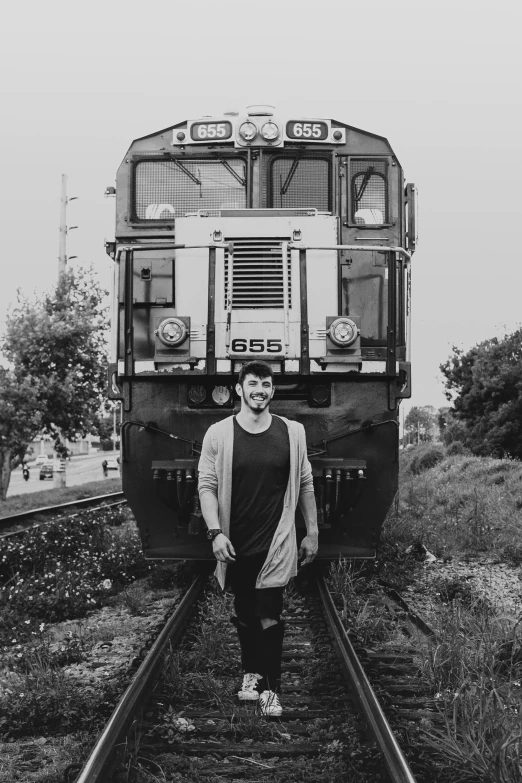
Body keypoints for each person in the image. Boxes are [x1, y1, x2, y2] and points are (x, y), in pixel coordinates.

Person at [198, 360, 318, 717]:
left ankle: (270, 691)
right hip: (236, 543)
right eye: (253, 384)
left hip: (276, 543)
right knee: (245, 614)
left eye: (266, 384)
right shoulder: (218, 434)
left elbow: (306, 483)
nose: (260, 390)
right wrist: (215, 533)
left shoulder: (292, 432)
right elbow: (207, 486)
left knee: (269, 615)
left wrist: (311, 532)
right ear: (239, 389)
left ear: (272, 390)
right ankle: (250, 673)